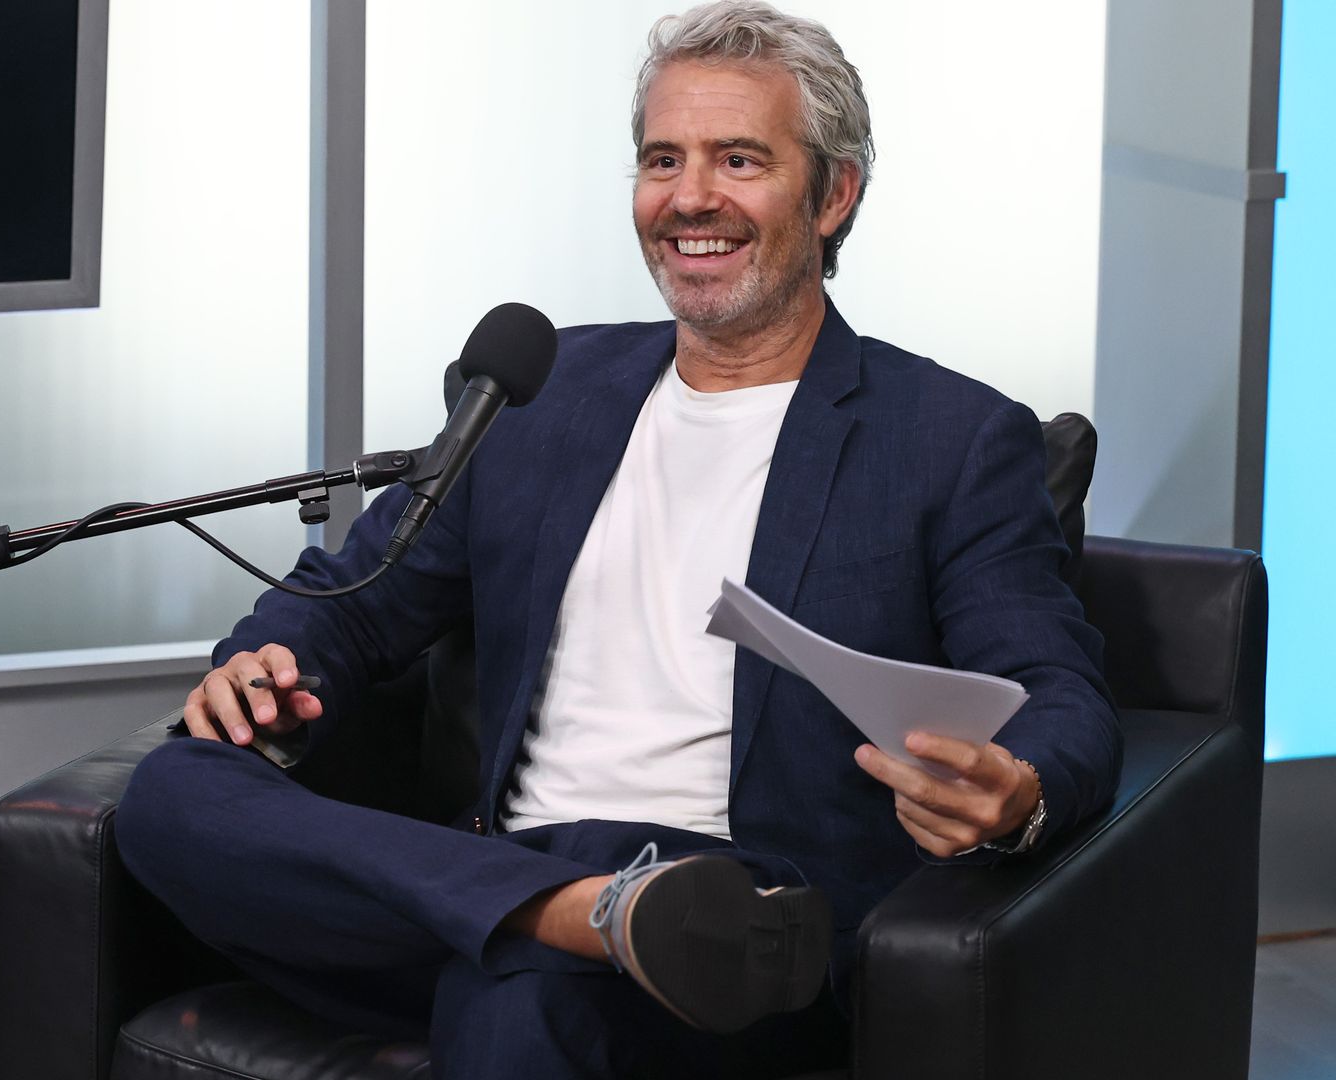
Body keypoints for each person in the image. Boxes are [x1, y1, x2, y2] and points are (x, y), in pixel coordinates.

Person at [115, 2, 1122, 1076]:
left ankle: (581, 919)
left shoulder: (950, 439)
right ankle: (581, 915)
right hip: (520, 869)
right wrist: (268, 663)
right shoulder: (542, 396)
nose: (690, 198)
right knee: (176, 789)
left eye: (739, 160)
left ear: (833, 194)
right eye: (662, 160)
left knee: (522, 1003)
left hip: (745, 911)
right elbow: (357, 595)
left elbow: (1058, 691)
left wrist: (1021, 789)